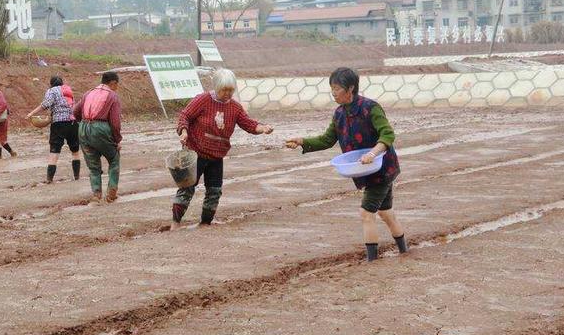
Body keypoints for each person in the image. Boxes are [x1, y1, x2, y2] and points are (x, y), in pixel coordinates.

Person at [285, 67, 407, 262]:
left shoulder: (370, 108)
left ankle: (372, 261)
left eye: (337, 88)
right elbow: (326, 140)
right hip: (365, 169)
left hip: (381, 168)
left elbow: (388, 134)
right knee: (385, 212)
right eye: (331, 88)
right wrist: (302, 141)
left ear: (350, 89)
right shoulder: (339, 113)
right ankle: (404, 251)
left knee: (366, 213)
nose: (333, 93)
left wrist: (373, 153)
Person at [171, 68, 274, 231]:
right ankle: (175, 223)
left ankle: (205, 223)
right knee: (187, 188)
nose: (227, 93)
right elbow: (185, 116)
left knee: (214, 191)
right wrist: (183, 131)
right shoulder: (203, 100)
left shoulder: (235, 107)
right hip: (195, 153)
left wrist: (263, 128)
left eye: (230, 90)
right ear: (216, 87)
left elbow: (248, 124)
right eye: (224, 90)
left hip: (216, 157)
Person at [73, 71, 122, 203]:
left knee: (93, 166)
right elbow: (115, 123)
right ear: (113, 83)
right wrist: (117, 140)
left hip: (83, 129)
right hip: (100, 129)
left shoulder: (88, 93)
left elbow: (75, 112)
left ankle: (96, 194)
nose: (117, 87)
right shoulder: (112, 96)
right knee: (114, 159)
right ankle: (111, 193)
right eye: (117, 85)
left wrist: (83, 123)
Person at [26, 76, 81, 182]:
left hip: (59, 124)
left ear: (51, 84)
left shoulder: (51, 91)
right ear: (61, 83)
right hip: (73, 123)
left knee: (54, 152)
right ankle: (77, 177)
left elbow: (45, 105)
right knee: (75, 151)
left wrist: (31, 113)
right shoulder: (68, 90)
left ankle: (49, 179)